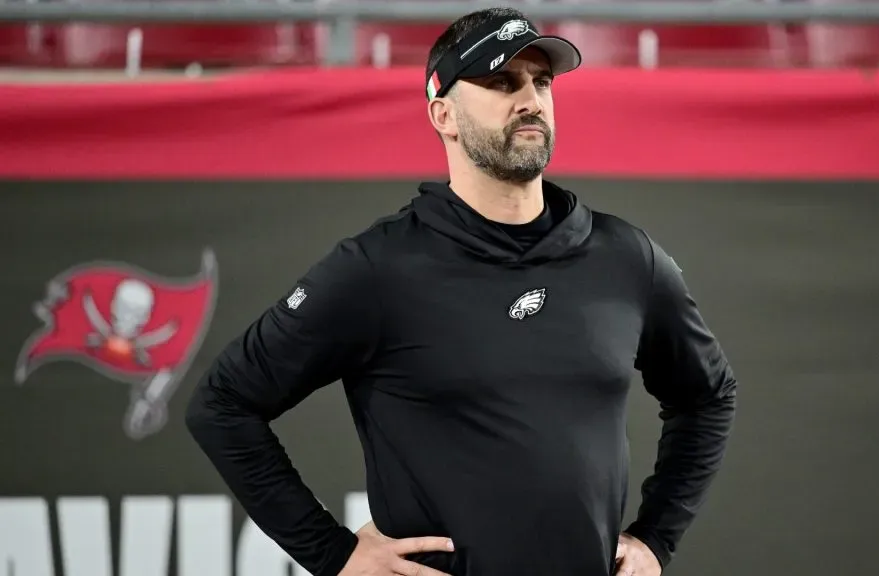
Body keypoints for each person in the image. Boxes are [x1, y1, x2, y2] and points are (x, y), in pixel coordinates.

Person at [185, 7, 737, 576]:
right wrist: (334, 555)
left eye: (540, 81)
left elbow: (709, 395)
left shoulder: (626, 257)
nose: (530, 99)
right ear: (443, 114)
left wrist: (656, 538)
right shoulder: (379, 268)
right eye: (501, 82)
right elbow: (223, 405)